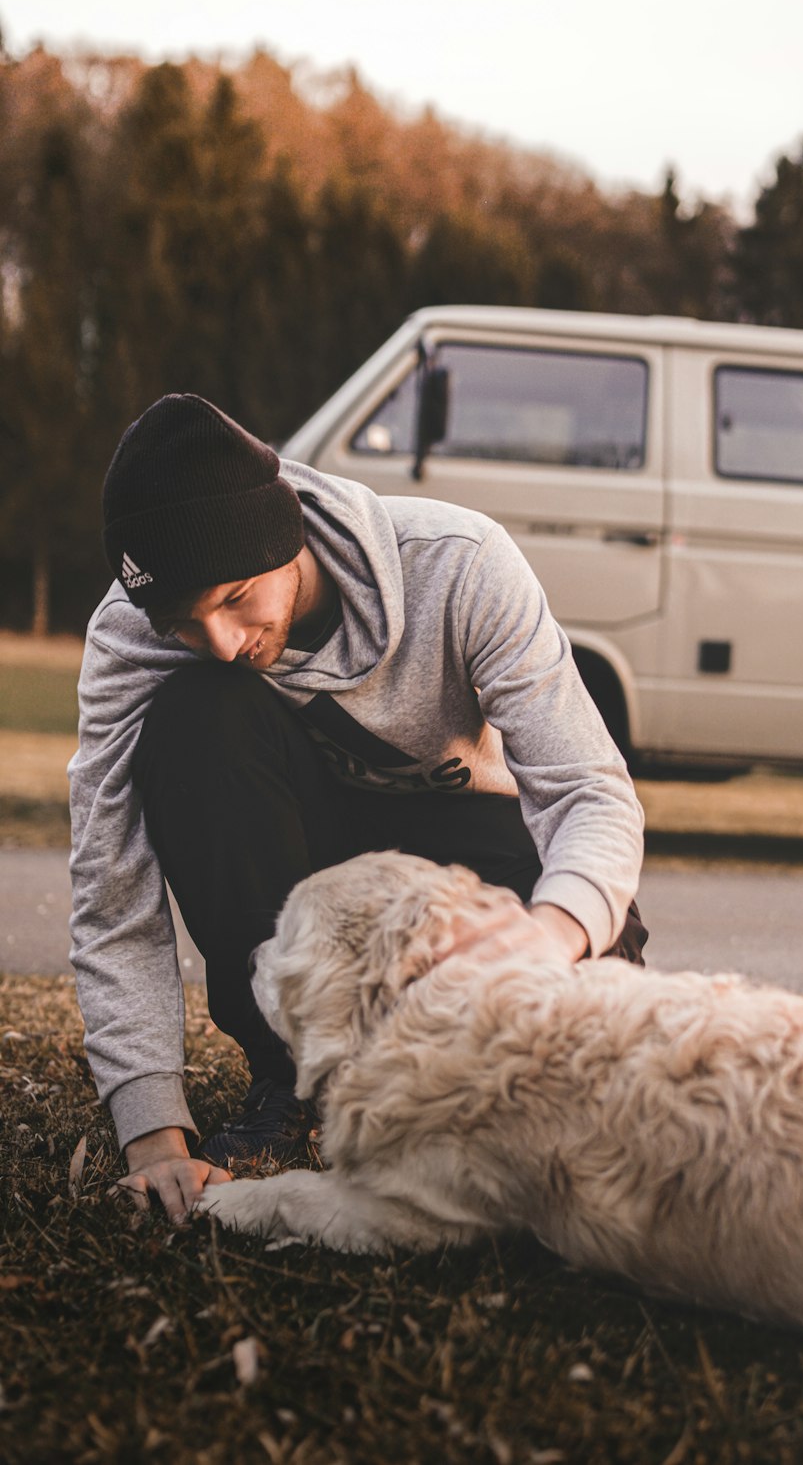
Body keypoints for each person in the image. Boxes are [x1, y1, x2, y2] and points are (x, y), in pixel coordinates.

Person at [69, 393, 648, 1224]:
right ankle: (299, 1073)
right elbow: (111, 884)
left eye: (236, 598)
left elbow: (587, 789)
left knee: (594, 1029)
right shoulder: (132, 638)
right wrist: (152, 1132)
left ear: (287, 538)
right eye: (182, 622)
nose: (222, 641)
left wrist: (545, 935)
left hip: (475, 845)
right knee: (198, 714)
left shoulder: (461, 563)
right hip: (313, 842)